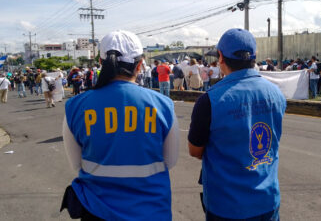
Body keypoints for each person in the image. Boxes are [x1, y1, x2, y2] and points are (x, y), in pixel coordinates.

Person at [61, 30, 179, 220]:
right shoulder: (163, 104)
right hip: (152, 210)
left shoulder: (75, 107)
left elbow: (76, 165)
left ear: (101, 63)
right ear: (139, 65)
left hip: (96, 211)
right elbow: (170, 161)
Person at [188, 28, 285, 221]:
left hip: (226, 206)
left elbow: (195, 150)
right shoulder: (276, 93)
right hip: (267, 200)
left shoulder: (209, 100)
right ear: (254, 56)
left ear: (221, 57)